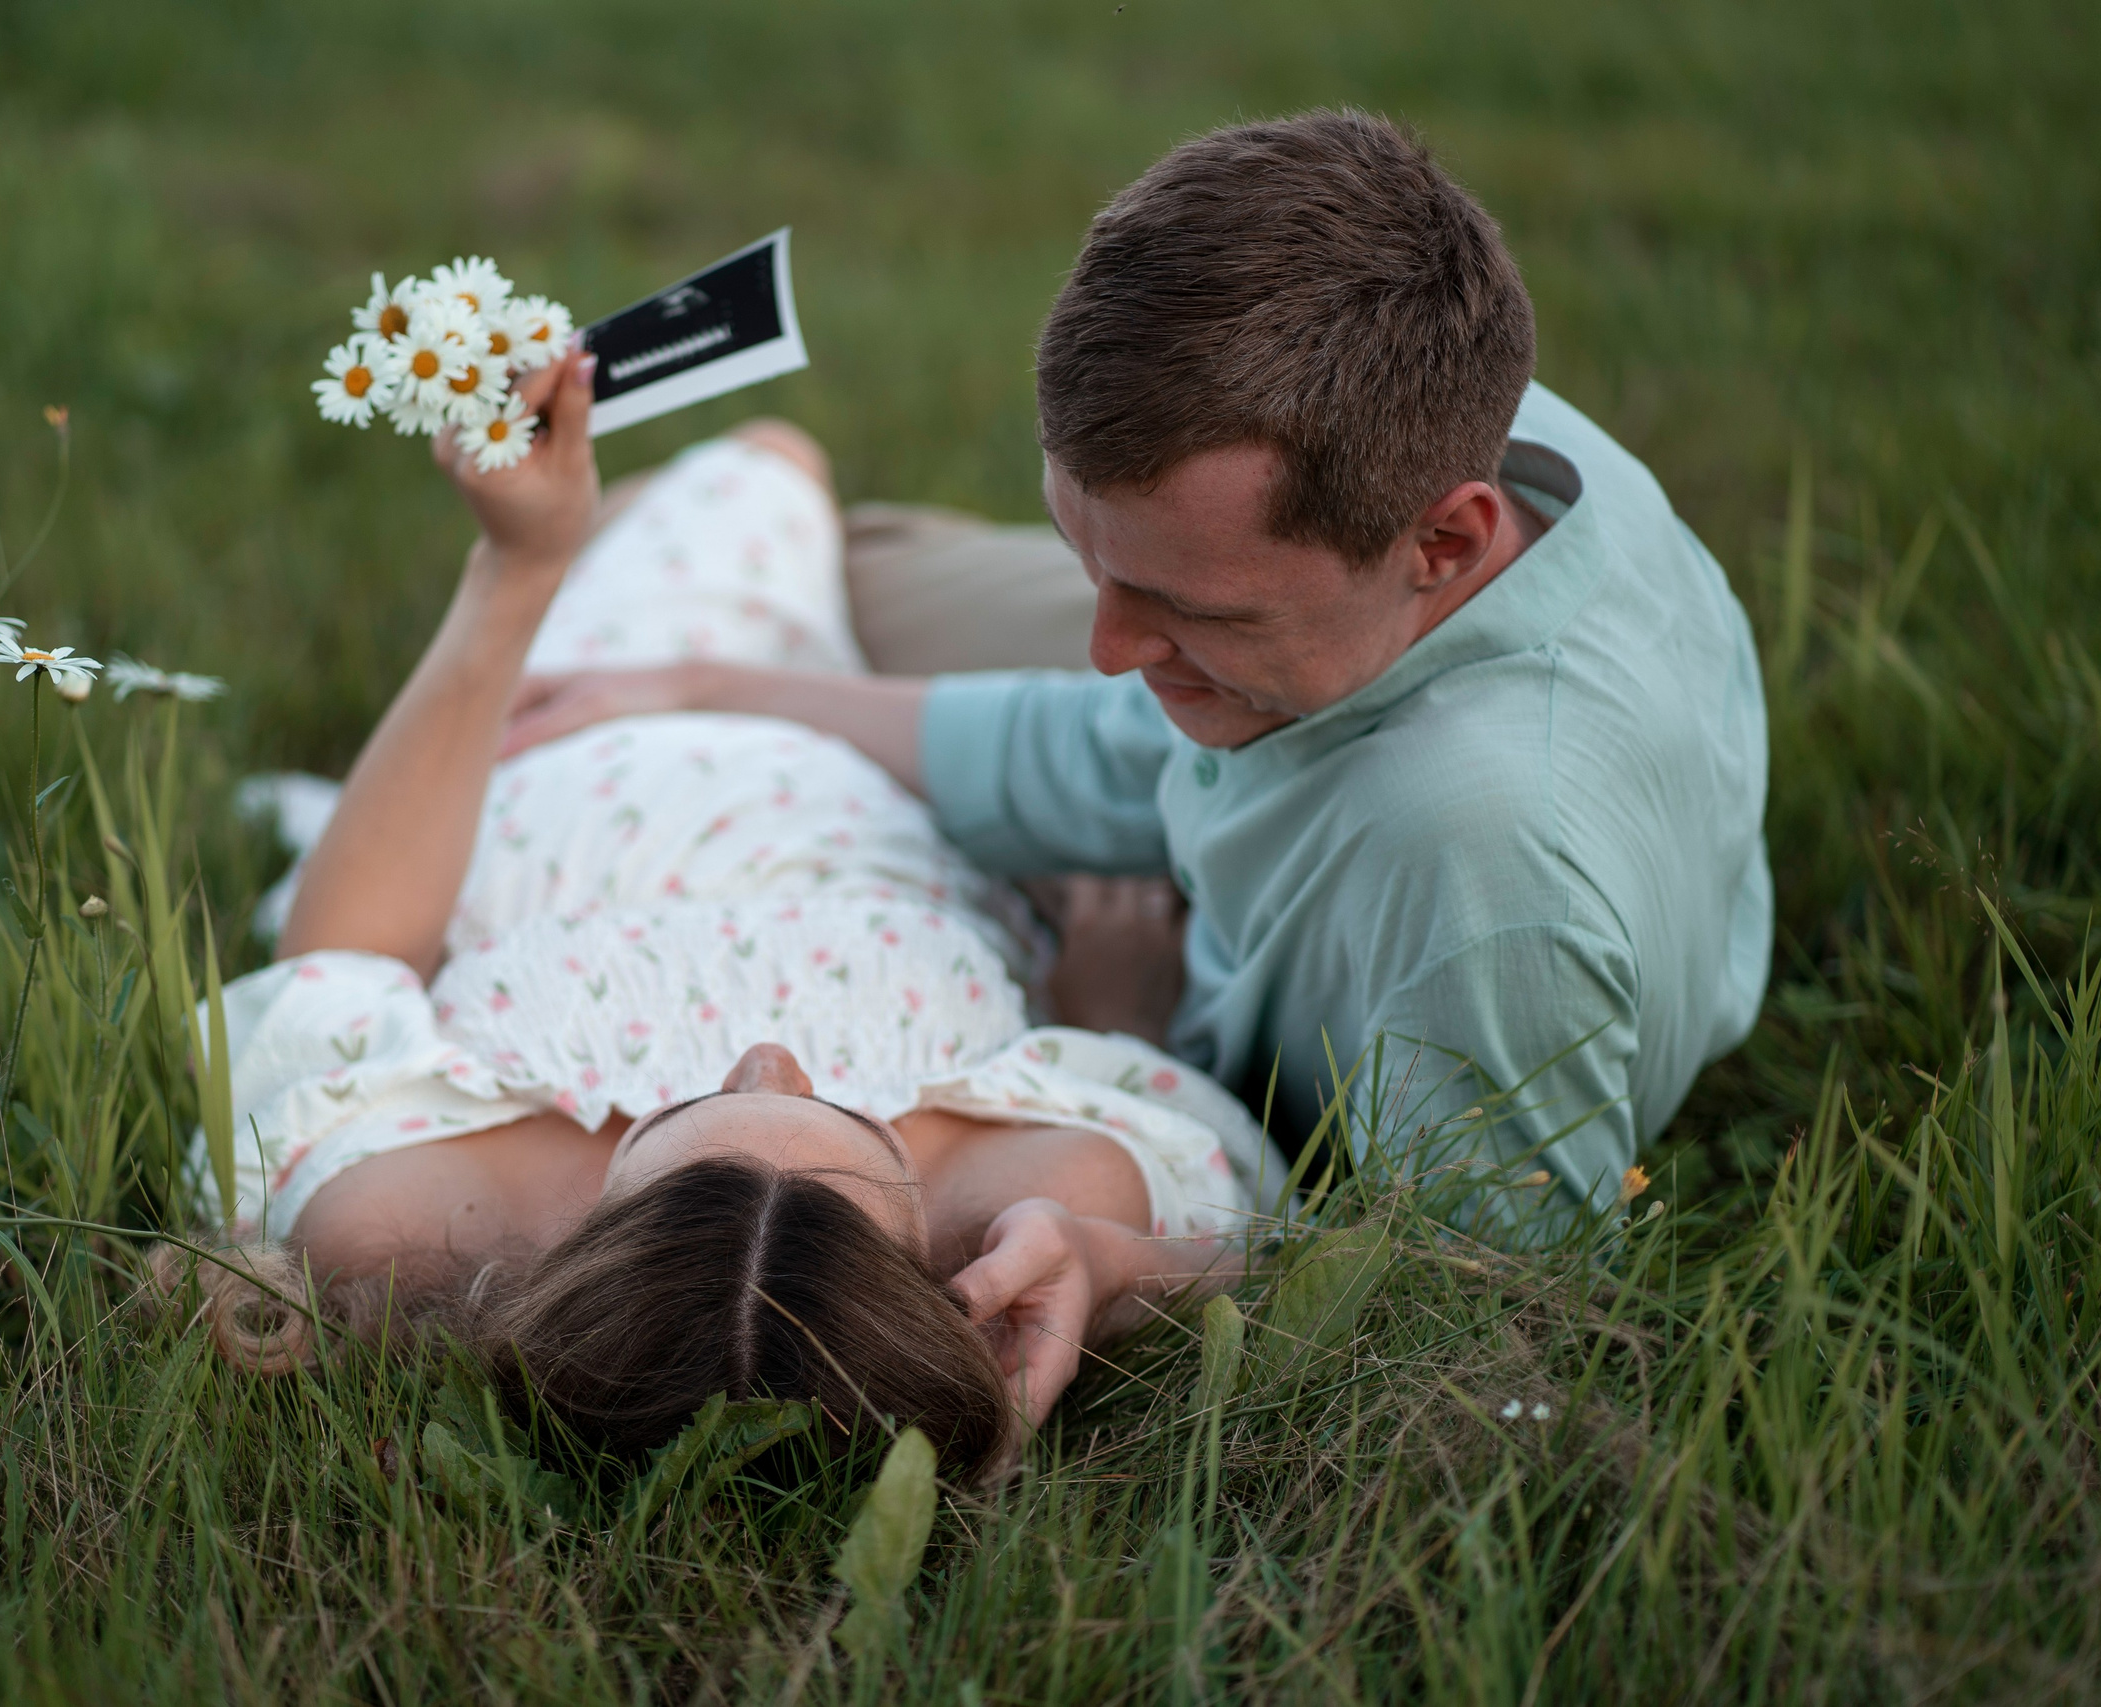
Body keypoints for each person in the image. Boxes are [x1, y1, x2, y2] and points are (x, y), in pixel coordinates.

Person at [504, 111, 1776, 1224]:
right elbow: (1114, 739)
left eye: (1178, 605)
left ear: (1443, 541)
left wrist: (1121, 1041)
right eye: (1086, 555)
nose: (1105, 651)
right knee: (783, 552)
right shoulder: (1466, 428)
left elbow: (1463, 1305)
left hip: (1403, 935)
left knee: (736, 557)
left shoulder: (1475, 875)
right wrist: (719, 687)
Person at [180, 349, 1295, 1481]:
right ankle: (713, 564)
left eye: (684, 1106)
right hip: (874, 774)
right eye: (857, 1123)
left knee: (764, 463)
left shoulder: (410, 1217)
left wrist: (515, 569)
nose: (767, 1055)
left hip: (572, 748)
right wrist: (1107, 1016)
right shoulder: (1033, 1199)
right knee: (788, 471)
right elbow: (1264, 1236)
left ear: (585, 1249)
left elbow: (339, 961)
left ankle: (604, 562)